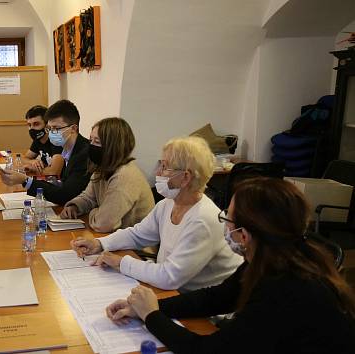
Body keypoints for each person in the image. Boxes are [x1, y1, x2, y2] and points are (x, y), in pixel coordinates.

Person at [106, 177, 355, 354]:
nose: (224, 224)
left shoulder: (284, 291)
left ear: (243, 235)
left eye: (227, 218)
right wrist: (143, 307)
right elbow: (216, 298)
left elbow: (207, 350)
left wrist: (152, 316)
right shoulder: (275, 256)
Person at [72, 136, 242, 291]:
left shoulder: (202, 220)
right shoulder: (167, 204)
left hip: (206, 311)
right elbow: (137, 235)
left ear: (185, 177)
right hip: (177, 293)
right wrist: (99, 244)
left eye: (165, 167)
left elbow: (168, 277)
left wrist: (121, 262)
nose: (157, 173)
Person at [60, 117, 155, 232]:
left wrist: (94, 211)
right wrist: (74, 207)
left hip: (136, 248)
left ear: (114, 146)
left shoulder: (124, 175)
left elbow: (103, 224)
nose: (91, 146)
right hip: (115, 239)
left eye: (97, 142)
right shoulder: (102, 167)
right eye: (91, 140)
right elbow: (89, 197)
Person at [0, 99, 91, 205]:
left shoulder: (83, 154)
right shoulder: (66, 147)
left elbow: (65, 195)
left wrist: (25, 180)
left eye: (56, 128)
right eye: (50, 128)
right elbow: (63, 185)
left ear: (73, 129)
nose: (51, 133)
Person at [22, 105, 64, 175]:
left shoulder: (56, 140)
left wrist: (34, 169)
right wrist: (32, 162)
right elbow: (24, 158)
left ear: (47, 125)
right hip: (47, 179)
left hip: (61, 182)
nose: (32, 128)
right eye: (29, 125)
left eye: (36, 124)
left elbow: (54, 172)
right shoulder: (38, 139)